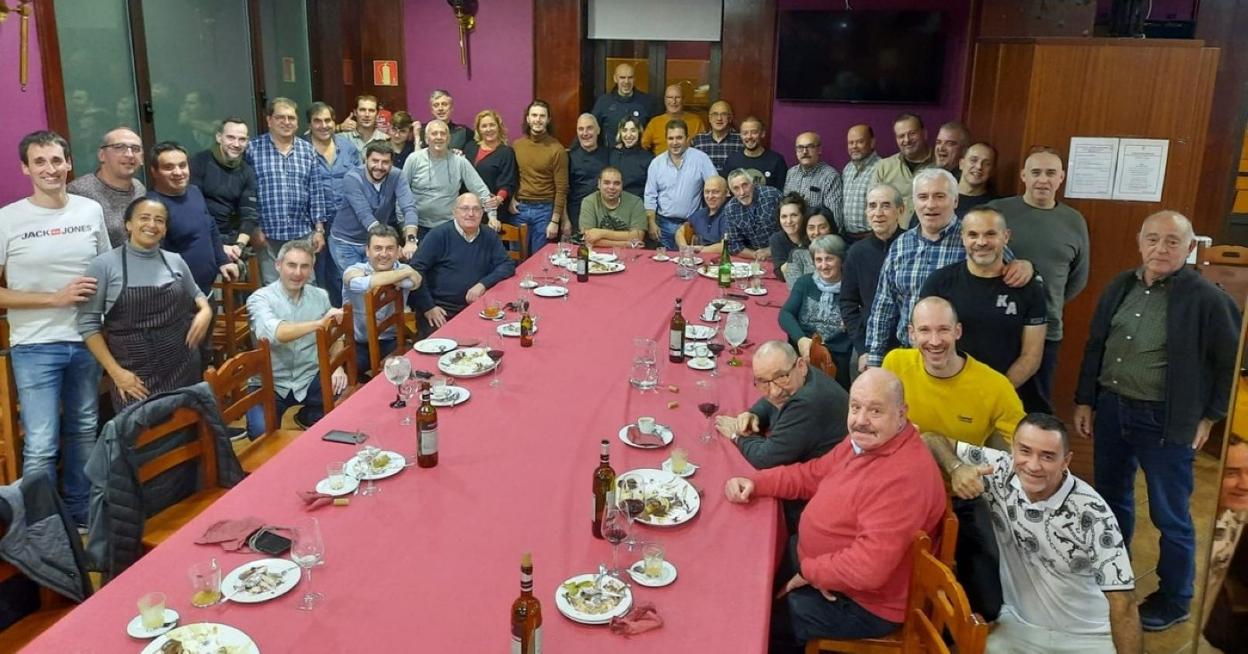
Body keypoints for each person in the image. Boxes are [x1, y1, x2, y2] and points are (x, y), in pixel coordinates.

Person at [1074, 210, 1241, 632]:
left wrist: (1210, 416)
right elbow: (1096, 344)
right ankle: (1114, 577)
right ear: (1139, 241)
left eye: (1172, 241)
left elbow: (1230, 364)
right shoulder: (1120, 286)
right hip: (1113, 410)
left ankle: (1175, 598)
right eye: (1152, 239)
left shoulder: (1208, 299)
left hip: (1165, 421)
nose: (1160, 248)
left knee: (1170, 515)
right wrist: (1085, 400)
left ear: (1189, 247)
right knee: (1112, 502)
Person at [725, 368, 945, 652]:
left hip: (865, 603)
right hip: (824, 566)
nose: (861, 420)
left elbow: (868, 569)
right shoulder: (866, 442)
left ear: (902, 414)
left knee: (761, 623)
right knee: (747, 577)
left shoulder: (903, 479)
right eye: (855, 407)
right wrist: (757, 483)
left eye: (875, 411)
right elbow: (814, 474)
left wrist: (811, 571)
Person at [922, 414, 1143, 654]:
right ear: (1013, 448)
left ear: (1066, 461)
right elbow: (930, 439)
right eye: (1025, 451)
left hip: (1089, 636)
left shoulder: (1093, 513)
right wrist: (956, 468)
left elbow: (1124, 603)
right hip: (1019, 627)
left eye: (1047, 456)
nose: (1033, 465)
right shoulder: (999, 469)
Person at [883, 296, 1025, 620]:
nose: (934, 341)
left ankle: (943, 627)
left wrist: (984, 471)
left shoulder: (994, 385)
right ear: (911, 334)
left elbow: (1022, 449)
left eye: (943, 330)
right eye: (925, 331)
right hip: (899, 490)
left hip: (960, 497)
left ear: (958, 331)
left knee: (987, 605)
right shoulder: (895, 363)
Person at [0, 130, 111, 527]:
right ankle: (43, 525)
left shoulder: (89, 210)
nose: (50, 169)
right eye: (40, 162)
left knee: (84, 429)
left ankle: (79, 511)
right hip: (35, 346)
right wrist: (54, 299)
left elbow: (105, 270)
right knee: (41, 443)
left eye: (56, 160)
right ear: (25, 168)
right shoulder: (7, 219)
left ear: (68, 164)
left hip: (87, 339)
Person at [864, 168, 1032, 367]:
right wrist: (875, 359)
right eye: (923, 197)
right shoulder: (900, 245)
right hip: (912, 357)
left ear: (955, 201)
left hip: (963, 359)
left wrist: (1028, 268)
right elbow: (884, 306)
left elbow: (1016, 274)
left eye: (939, 196)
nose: (930, 204)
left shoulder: (974, 239)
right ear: (914, 202)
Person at [78, 198, 212, 411]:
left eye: (159, 220)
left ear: (165, 229)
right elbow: (88, 326)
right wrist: (116, 373)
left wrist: (205, 310)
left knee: (190, 426)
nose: (152, 224)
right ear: (128, 224)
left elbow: (197, 293)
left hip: (183, 365)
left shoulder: (175, 260)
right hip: (134, 377)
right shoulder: (103, 266)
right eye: (144, 218)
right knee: (140, 429)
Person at [989, 147, 1090, 412]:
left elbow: (1078, 278)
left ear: (1061, 178)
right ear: (1024, 175)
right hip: (997, 326)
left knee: (1036, 410)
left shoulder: (1074, 221)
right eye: (1035, 172)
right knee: (990, 404)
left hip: (1047, 329)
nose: (1043, 180)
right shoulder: (997, 212)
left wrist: (1046, 300)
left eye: (1050, 173)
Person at [920, 207, 1048, 412]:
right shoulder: (939, 283)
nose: (981, 242)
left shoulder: (1029, 288)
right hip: (947, 395)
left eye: (990, 234)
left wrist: (992, 394)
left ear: (1006, 237)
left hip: (1004, 397)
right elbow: (924, 341)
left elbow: (1031, 357)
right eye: (973, 234)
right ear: (963, 238)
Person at [246, 239, 347, 433]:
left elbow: (335, 335)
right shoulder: (259, 299)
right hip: (270, 383)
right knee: (260, 432)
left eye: (304, 266)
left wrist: (337, 367)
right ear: (278, 265)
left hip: (309, 376)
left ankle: (307, 416)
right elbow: (276, 334)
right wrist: (319, 324)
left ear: (311, 270)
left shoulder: (320, 296)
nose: (298, 273)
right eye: (291, 265)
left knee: (346, 404)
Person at [714, 340, 849, 469]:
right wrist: (754, 414)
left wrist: (736, 435)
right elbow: (771, 401)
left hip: (826, 478)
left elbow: (765, 459)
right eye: (764, 382)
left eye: (781, 377)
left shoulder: (807, 403)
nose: (774, 392)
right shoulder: (801, 376)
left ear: (801, 366)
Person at [246, 97, 330, 285]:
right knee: (273, 288)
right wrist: (254, 228)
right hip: (267, 235)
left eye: (291, 118)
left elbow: (316, 192)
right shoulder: (253, 149)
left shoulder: (307, 151)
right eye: (280, 117)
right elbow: (247, 193)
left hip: (302, 234)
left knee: (306, 285)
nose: (286, 122)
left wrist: (319, 230)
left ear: (297, 122)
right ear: (269, 120)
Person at [410, 193, 516, 331]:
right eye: (465, 209)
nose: (471, 214)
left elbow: (507, 264)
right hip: (441, 311)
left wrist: (483, 284)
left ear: (482, 212)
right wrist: (428, 307)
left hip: (479, 307)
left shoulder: (489, 235)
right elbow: (415, 270)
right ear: (454, 212)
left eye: (476, 209)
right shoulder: (438, 235)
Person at [146, 141, 239, 295]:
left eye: (182, 165)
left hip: (206, 291)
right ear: (154, 172)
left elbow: (210, 226)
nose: (178, 172)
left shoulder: (194, 191)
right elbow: (153, 260)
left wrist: (222, 260)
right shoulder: (151, 207)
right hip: (177, 297)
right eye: (169, 167)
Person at [841, 184, 905, 380]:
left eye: (885, 205)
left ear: (900, 210)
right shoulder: (856, 252)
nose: (878, 213)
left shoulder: (912, 245)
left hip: (907, 342)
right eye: (872, 206)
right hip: (869, 341)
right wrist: (862, 348)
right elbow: (848, 303)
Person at [342, 225, 422, 376]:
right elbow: (360, 284)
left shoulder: (403, 269)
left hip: (391, 339)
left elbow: (415, 282)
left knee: (411, 368)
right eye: (378, 248)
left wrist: (408, 273)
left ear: (398, 251)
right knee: (348, 376)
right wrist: (405, 272)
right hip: (359, 342)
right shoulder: (354, 270)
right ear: (367, 251)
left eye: (390, 248)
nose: (384, 254)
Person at [330, 141, 419, 272]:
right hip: (346, 243)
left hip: (375, 243)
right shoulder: (352, 178)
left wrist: (411, 241)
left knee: (379, 282)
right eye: (375, 161)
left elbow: (409, 208)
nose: (379, 166)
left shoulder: (397, 176)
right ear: (366, 160)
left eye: (385, 162)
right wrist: (390, 242)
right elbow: (364, 214)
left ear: (392, 163)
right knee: (357, 282)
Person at [305, 101, 360, 307]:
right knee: (317, 273)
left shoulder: (347, 147)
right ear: (310, 124)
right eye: (317, 121)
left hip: (345, 221)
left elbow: (359, 179)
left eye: (327, 120)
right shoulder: (301, 148)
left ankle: (343, 316)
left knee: (341, 272)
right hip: (312, 222)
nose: (323, 125)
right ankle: (323, 316)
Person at [780, 235, 853, 388]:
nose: (823, 265)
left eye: (829, 259)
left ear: (841, 260)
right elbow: (785, 314)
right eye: (819, 260)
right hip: (803, 351)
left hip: (837, 358)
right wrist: (801, 339)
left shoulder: (852, 287)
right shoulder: (805, 283)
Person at [403, 119, 492, 238]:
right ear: (427, 139)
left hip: (450, 226)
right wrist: (404, 225)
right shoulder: (414, 159)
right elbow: (401, 193)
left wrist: (492, 216)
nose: (439, 137)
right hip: (418, 226)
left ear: (449, 139)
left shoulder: (460, 161)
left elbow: (480, 190)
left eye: (443, 133)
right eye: (434, 133)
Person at [189, 118, 260, 257]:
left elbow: (249, 214)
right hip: (202, 240)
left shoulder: (247, 171)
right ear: (219, 137)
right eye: (231, 137)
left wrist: (239, 246)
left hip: (232, 242)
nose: (236, 144)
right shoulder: (199, 162)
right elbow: (194, 210)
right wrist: (218, 246)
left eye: (242, 139)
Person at [643, 119, 717, 250]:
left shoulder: (701, 159)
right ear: (666, 140)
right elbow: (650, 196)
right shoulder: (656, 163)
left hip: (692, 225)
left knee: (690, 260)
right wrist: (651, 223)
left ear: (687, 139)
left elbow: (715, 186)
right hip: (663, 226)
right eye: (671, 138)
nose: (675, 142)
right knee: (665, 262)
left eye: (679, 138)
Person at [67, 127, 146, 247]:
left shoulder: (139, 188)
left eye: (135, 149)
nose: (129, 155)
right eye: (119, 147)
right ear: (102, 155)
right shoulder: (79, 191)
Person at [512, 100, 569, 255]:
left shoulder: (557, 149)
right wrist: (511, 199)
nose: (538, 119)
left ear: (548, 120)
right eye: (534, 115)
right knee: (516, 260)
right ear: (528, 118)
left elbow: (562, 188)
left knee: (540, 260)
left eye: (542, 116)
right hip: (519, 210)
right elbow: (512, 177)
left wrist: (555, 220)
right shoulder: (517, 146)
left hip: (545, 211)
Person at [872, 113, 935, 223]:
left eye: (912, 133)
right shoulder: (884, 167)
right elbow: (873, 205)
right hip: (893, 232)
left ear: (924, 133)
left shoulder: (941, 165)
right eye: (901, 136)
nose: (907, 140)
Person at [462, 109, 518, 231]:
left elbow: (508, 181)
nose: (488, 129)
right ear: (478, 129)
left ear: (499, 127)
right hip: (469, 209)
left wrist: (499, 199)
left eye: (492, 125)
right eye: (484, 126)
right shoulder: (470, 147)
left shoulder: (506, 152)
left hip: (493, 209)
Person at [783, 131, 844, 232]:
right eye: (800, 147)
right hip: (793, 233)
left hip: (817, 235)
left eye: (810, 147)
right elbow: (786, 206)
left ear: (819, 150)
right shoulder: (791, 173)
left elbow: (835, 219)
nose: (805, 152)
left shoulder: (830, 176)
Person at [590, 63, 660, 149]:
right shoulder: (603, 102)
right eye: (622, 78)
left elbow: (656, 131)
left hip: (639, 154)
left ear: (634, 79)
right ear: (615, 79)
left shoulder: (647, 102)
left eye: (630, 77)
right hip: (610, 154)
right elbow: (591, 128)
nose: (626, 82)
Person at [578, 166, 646, 248]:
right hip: (597, 252)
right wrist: (626, 244)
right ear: (599, 184)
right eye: (606, 183)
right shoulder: (588, 202)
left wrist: (601, 233)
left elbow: (638, 237)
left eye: (616, 183)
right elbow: (587, 239)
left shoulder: (636, 202)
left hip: (628, 254)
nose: (611, 187)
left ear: (622, 185)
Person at [722, 167, 783, 257]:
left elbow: (793, 229)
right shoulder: (730, 209)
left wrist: (771, 250)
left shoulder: (772, 195)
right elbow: (734, 245)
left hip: (783, 252)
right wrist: (755, 255)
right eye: (736, 188)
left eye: (745, 185)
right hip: (754, 257)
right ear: (731, 192)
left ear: (753, 183)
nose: (742, 192)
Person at [567, 114, 610, 236]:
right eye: (581, 129)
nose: (585, 133)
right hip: (577, 215)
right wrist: (565, 220)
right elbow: (563, 190)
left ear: (598, 130)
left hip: (606, 214)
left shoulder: (610, 155)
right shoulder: (569, 158)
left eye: (589, 128)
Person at [841, 124, 882, 241]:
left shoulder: (882, 168)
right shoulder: (847, 169)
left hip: (872, 237)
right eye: (851, 143)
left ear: (872, 143)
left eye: (860, 142)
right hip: (847, 238)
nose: (854, 146)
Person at [723, 116, 788, 189]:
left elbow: (782, 191)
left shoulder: (777, 161)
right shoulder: (732, 160)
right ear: (740, 135)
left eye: (754, 132)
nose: (749, 137)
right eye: (745, 133)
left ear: (762, 133)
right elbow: (726, 188)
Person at [640, 85, 706, 155]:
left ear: (683, 100)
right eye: (670, 97)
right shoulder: (655, 123)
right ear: (665, 100)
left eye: (677, 97)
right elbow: (643, 146)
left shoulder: (696, 121)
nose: (674, 101)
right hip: (661, 161)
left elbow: (703, 146)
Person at [676, 175, 728, 255]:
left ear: (726, 193)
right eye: (707, 192)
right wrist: (685, 248)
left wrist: (700, 250)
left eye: (715, 192)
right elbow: (680, 232)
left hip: (720, 260)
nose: (710, 196)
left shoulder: (731, 214)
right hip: (697, 258)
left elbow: (726, 245)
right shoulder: (699, 214)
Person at [783, 207, 835, 287]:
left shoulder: (842, 252)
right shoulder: (797, 254)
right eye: (811, 228)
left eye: (822, 227)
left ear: (831, 228)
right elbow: (795, 288)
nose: (816, 232)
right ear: (805, 230)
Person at [690, 100, 744, 174]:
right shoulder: (698, 141)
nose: (719, 118)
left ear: (730, 118)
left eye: (724, 114)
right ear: (709, 118)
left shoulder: (741, 140)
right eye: (715, 114)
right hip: (706, 181)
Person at [769, 193, 810, 281]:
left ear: (803, 216)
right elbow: (780, 274)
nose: (788, 221)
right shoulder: (776, 239)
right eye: (784, 216)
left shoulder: (812, 235)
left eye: (794, 215)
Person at [608, 116, 650, 198]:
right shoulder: (612, 154)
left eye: (633, 130)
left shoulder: (648, 158)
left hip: (638, 202)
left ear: (639, 132)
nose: (629, 135)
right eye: (624, 130)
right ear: (620, 133)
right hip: (615, 201)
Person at [955, 142, 998, 218]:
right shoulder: (941, 194)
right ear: (961, 164)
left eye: (987, 164)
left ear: (992, 171)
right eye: (973, 160)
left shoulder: (995, 205)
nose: (979, 167)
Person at [340, 94, 388, 159]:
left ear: (377, 114)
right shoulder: (342, 138)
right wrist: (339, 127)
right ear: (355, 112)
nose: (367, 115)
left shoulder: (386, 140)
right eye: (362, 110)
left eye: (371, 111)